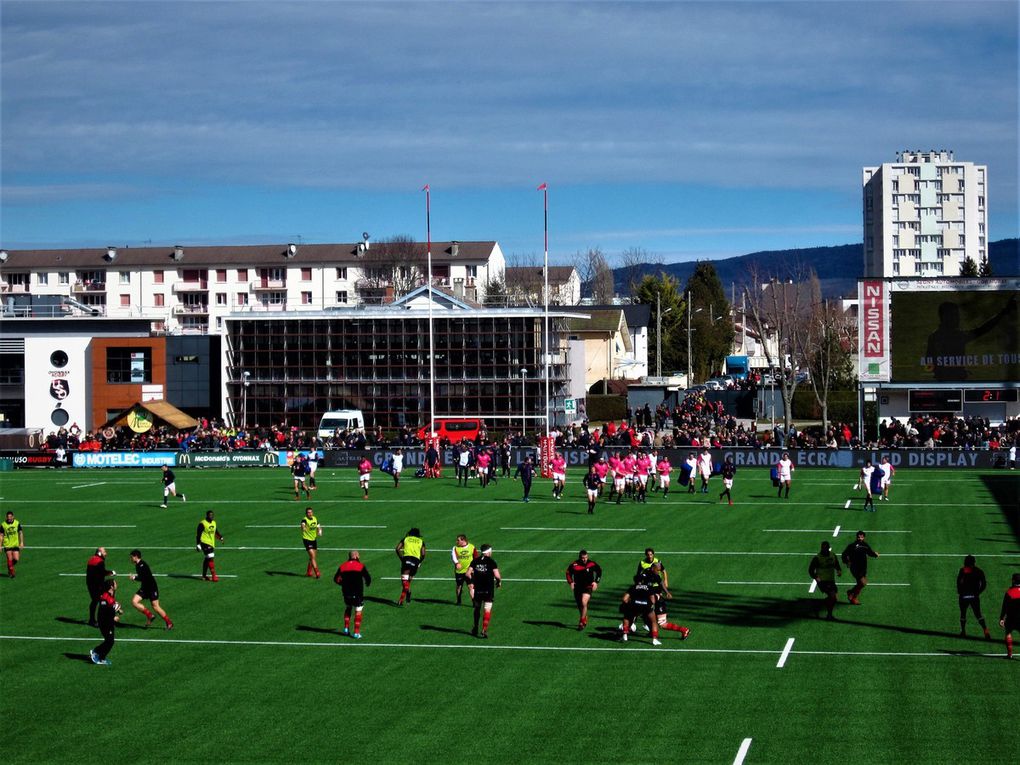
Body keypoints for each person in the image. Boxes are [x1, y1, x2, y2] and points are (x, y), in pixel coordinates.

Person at [128, 549, 173, 630]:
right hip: (145, 587)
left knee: (156, 607)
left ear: (136, 557)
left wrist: (134, 577)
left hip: (151, 588)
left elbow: (143, 577)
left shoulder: (142, 565)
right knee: (134, 601)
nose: (130, 559)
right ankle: (149, 615)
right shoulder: (138, 564)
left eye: (131, 557)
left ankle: (169, 623)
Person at [334, 550, 372, 639]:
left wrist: (342, 584)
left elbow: (336, 579)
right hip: (357, 593)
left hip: (346, 593)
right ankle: (356, 633)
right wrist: (367, 583)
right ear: (356, 556)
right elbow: (368, 578)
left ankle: (346, 628)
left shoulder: (342, 566)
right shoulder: (360, 566)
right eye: (358, 555)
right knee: (358, 610)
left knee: (348, 607)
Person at [648, 562, 690, 638]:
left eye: (659, 570)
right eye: (657, 570)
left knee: (662, 624)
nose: (658, 572)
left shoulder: (656, 575)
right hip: (653, 599)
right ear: (653, 568)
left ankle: (684, 630)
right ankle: (652, 632)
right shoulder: (647, 573)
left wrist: (667, 592)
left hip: (659, 602)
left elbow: (661, 583)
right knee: (646, 616)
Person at [467, 544, 501, 638]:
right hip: (488, 589)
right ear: (489, 552)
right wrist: (498, 582)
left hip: (478, 589)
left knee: (477, 608)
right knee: (487, 609)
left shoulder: (475, 561)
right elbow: (497, 576)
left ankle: (475, 627)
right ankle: (484, 629)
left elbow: (467, 574)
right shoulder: (491, 562)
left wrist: (473, 581)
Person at [619, 573, 660, 645]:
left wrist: (629, 604)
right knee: (653, 621)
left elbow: (624, 599)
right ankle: (654, 640)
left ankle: (625, 636)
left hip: (634, 605)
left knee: (627, 617)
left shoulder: (633, 587)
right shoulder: (649, 587)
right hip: (646, 606)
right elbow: (653, 600)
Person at [566, 550, 602, 630]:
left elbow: (599, 570)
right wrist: (571, 582)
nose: (584, 559)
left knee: (583, 602)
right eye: (582, 558)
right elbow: (568, 573)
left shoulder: (591, 563)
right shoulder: (574, 564)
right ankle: (584, 617)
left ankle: (581, 622)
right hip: (578, 587)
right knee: (580, 605)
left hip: (588, 586)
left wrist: (596, 582)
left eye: (586, 557)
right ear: (579, 558)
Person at [957, 555, 990, 639]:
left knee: (963, 614)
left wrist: (960, 591)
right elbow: (984, 584)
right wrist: (978, 592)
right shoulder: (979, 571)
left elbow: (959, 582)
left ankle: (963, 632)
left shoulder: (963, 570)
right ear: (974, 562)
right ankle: (986, 631)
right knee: (978, 614)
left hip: (964, 596)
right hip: (974, 596)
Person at [841, 530, 879, 605]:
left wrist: (875, 554)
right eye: (858, 537)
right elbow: (844, 554)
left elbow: (870, 552)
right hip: (855, 568)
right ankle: (853, 596)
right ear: (856, 537)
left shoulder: (865, 545)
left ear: (864, 537)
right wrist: (847, 562)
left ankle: (851, 594)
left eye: (861, 537)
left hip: (863, 568)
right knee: (863, 583)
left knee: (860, 584)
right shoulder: (851, 546)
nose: (859, 538)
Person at [90, 579, 122, 666]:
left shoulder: (111, 594)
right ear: (111, 586)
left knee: (110, 640)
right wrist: (113, 617)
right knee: (110, 641)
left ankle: (100, 655)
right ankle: (97, 653)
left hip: (108, 621)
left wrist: (118, 609)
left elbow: (112, 605)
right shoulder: (105, 597)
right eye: (115, 583)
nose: (116, 584)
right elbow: (104, 612)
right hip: (104, 622)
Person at [809, 541, 842, 620]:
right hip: (822, 581)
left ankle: (827, 609)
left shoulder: (832, 555)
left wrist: (839, 570)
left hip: (831, 580)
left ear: (828, 548)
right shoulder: (817, 558)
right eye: (823, 548)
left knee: (834, 598)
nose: (824, 550)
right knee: (832, 596)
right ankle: (829, 615)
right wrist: (816, 577)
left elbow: (836, 564)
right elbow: (810, 570)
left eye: (825, 548)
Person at [86, 546, 116, 626]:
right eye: (104, 552)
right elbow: (102, 572)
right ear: (99, 553)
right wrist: (111, 572)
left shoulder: (91, 559)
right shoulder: (100, 561)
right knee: (102, 600)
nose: (106, 553)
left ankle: (92, 619)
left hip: (90, 584)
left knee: (95, 601)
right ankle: (99, 619)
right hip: (97, 585)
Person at [395, 527, 426, 605]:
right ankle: (402, 599)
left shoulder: (406, 539)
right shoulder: (421, 541)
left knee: (404, 582)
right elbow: (423, 554)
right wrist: (419, 562)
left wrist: (402, 559)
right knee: (408, 581)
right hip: (416, 561)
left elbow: (397, 548)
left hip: (407, 559)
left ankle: (407, 593)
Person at [196, 510, 224, 582]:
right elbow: (198, 534)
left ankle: (204, 576)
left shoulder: (214, 523)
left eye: (212, 515)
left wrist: (220, 537)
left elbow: (215, 531)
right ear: (207, 516)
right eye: (210, 515)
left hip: (211, 543)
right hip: (204, 542)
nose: (211, 516)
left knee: (207, 558)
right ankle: (214, 575)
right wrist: (198, 544)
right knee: (210, 557)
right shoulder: (202, 523)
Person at [451, 534, 478, 604]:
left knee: (471, 586)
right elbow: (453, 556)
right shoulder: (455, 548)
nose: (457, 541)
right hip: (459, 571)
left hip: (469, 571)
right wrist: (457, 563)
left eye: (458, 540)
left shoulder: (472, 547)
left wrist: (473, 568)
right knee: (459, 586)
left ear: (463, 540)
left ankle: (474, 602)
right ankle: (459, 599)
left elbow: (476, 558)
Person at [999, 573, 1020, 659]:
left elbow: (1004, 606)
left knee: (1008, 633)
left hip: (1011, 618)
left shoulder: (1009, 592)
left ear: (1013, 580)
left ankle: (1010, 654)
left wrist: (1001, 618)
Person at [301, 507, 323, 578]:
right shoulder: (304, 519)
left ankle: (308, 572)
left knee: (312, 557)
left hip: (314, 540)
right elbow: (303, 525)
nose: (310, 514)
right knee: (312, 556)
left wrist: (320, 531)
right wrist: (303, 528)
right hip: (307, 540)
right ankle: (317, 572)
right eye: (308, 512)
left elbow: (319, 526)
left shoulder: (315, 518)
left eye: (311, 512)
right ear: (306, 513)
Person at [1, 510, 24, 578]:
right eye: (8, 517)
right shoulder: (3, 525)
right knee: (10, 559)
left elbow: (20, 533)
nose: (9, 518)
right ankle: (11, 571)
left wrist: (22, 542)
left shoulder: (17, 523)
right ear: (6, 517)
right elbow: (1, 536)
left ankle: (10, 566)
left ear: (13, 517)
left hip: (15, 544)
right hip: (7, 544)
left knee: (16, 559)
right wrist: (0, 545)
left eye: (10, 517)